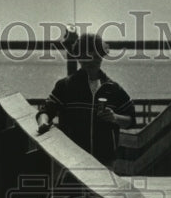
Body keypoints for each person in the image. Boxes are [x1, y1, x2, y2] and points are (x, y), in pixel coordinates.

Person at [35, 32, 137, 165]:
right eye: (87, 56)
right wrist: (43, 123)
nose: (92, 61)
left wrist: (115, 118)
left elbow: (131, 119)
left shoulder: (113, 89)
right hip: (71, 160)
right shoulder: (65, 86)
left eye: (96, 56)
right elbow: (45, 111)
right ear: (79, 58)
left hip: (104, 161)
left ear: (102, 57)